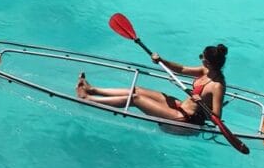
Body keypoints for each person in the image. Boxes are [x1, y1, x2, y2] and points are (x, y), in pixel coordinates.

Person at [77, 43, 227, 127]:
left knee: (136, 98)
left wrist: (200, 102)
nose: (200, 59)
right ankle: (92, 89)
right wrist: (161, 60)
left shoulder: (217, 86)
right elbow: (181, 69)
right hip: (180, 106)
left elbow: (217, 117)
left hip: (184, 119)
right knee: (137, 89)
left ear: (208, 61)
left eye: (201, 57)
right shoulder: (204, 70)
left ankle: (88, 99)